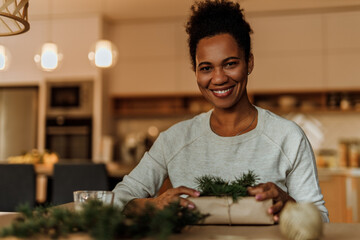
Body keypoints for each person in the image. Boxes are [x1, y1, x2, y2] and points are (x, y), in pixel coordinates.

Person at [113, 0, 329, 223]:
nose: (218, 78)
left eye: (230, 64)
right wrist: (153, 206)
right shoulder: (174, 140)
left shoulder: (287, 137)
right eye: (206, 68)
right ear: (196, 72)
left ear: (249, 63)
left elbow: (321, 220)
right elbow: (119, 198)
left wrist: (288, 204)